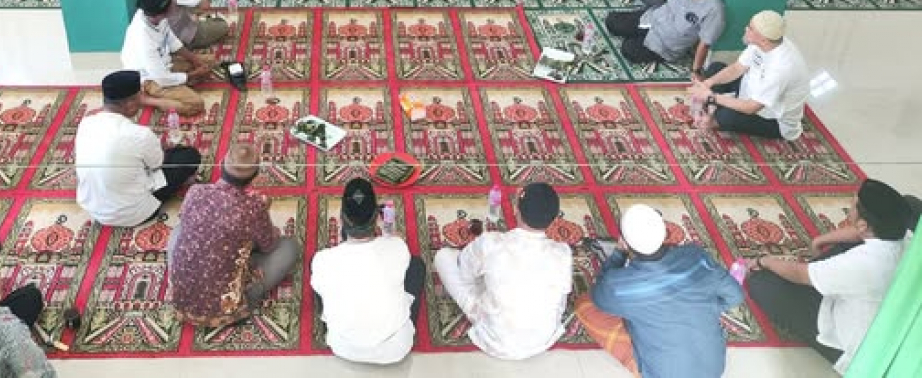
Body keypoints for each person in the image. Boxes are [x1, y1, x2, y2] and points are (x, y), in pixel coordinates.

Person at [746, 179, 910, 374]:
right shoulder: (906, 237)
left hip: (856, 345)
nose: (850, 205)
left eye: (853, 204)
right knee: (911, 202)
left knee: (762, 283)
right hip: (890, 314)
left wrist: (763, 262)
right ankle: (824, 270)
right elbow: (862, 232)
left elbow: (800, 274)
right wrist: (820, 240)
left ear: (863, 225)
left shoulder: (863, 263)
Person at [576, 204, 743, 378]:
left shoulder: (619, 286)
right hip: (713, 370)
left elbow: (599, 294)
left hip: (663, 373)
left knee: (584, 304)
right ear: (664, 233)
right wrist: (705, 307)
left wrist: (619, 253)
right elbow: (735, 295)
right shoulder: (696, 256)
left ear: (625, 241)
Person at [167, 143, 301, 328]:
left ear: (221, 164)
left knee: (178, 230)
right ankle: (242, 304)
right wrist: (263, 213)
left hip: (181, 301)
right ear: (255, 175)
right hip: (225, 308)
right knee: (289, 247)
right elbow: (269, 246)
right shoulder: (253, 206)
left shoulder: (195, 191)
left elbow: (186, 219)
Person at [433, 182, 572, 360]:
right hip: (542, 339)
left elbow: (465, 271)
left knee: (443, 257)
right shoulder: (563, 252)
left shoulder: (492, 242)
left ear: (516, 210)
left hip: (495, 339)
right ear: (554, 219)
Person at [310, 178, 425, 364]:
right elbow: (396, 249)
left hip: (342, 346)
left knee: (318, 273)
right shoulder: (397, 248)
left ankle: (329, 320)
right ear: (376, 218)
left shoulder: (323, 259)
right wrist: (390, 237)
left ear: (341, 219)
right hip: (395, 349)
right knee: (417, 265)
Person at [75, 70, 202, 227]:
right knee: (189, 156)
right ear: (129, 104)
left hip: (94, 209)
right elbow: (157, 164)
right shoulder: (140, 135)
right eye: (139, 98)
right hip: (135, 212)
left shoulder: (86, 123)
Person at [688, 10, 808, 139]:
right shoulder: (764, 43)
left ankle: (710, 122)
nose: (746, 29)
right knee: (715, 68)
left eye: (750, 28)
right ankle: (706, 111)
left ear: (763, 39)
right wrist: (706, 84)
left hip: (773, 118)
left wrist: (711, 97)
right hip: (750, 92)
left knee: (727, 116)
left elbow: (751, 107)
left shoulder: (782, 68)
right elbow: (737, 68)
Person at [605, 0, 726, 71]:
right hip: (652, 20)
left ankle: (638, 35)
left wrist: (696, 70)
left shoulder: (714, 10)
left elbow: (704, 44)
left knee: (628, 49)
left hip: (664, 44)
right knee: (612, 21)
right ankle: (641, 23)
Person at [121, 0, 209, 115]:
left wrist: (195, 60)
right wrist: (194, 74)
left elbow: (172, 41)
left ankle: (181, 85)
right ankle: (145, 99)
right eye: (171, 3)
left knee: (209, 62)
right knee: (195, 104)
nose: (174, 4)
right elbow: (162, 78)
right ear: (162, 12)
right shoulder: (143, 39)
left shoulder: (154, 15)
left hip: (164, 62)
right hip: (150, 78)